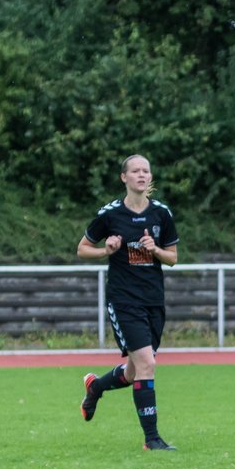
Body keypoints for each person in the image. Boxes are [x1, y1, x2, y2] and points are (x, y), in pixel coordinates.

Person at [76, 154, 180, 451]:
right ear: (124, 177)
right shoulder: (110, 215)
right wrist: (105, 251)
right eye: (135, 171)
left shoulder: (161, 213)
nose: (141, 175)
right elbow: (83, 249)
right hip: (124, 300)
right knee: (147, 364)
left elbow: (172, 259)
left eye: (146, 170)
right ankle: (152, 439)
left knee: (135, 371)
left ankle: (95, 386)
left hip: (153, 301)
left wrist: (155, 249)